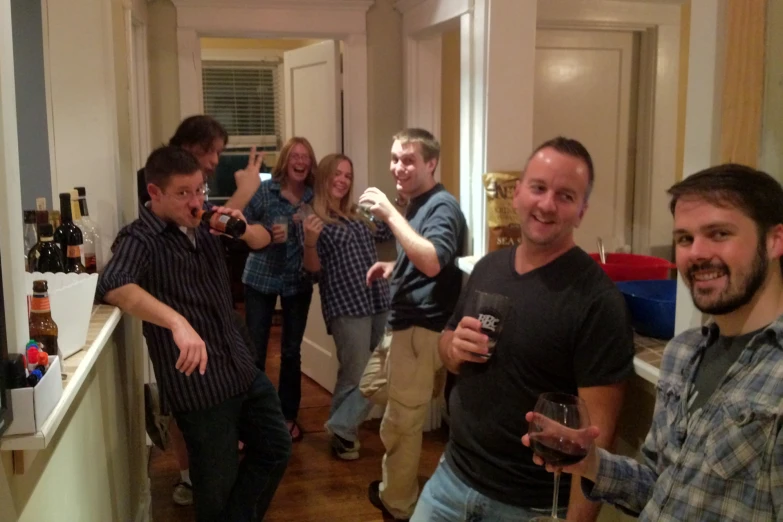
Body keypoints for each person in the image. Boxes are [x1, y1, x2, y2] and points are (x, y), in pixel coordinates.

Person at [523, 163, 783, 522]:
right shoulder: (684, 353)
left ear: (775, 241)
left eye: (719, 233)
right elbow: (659, 488)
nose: (697, 253)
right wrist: (589, 461)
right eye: (685, 239)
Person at [421, 137, 636, 522]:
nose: (547, 204)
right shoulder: (488, 267)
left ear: (582, 211)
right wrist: (452, 348)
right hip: (449, 482)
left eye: (566, 196)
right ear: (518, 193)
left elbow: (596, 443)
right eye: (538, 188)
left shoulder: (598, 302)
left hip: (529, 507)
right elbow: (447, 341)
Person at [99, 146, 291, 522]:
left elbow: (263, 240)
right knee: (215, 490)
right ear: (155, 193)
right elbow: (114, 284)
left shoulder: (205, 225)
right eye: (183, 193)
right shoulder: (140, 238)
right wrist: (177, 322)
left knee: (275, 447)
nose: (195, 201)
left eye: (200, 190)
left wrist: (243, 224)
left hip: (239, 366)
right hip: (200, 387)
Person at [137, 114, 263, 506]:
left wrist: (242, 212)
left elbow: (235, 230)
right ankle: (193, 474)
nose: (214, 161)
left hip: (217, 320)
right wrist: (245, 192)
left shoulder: (197, 198)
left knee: (249, 422)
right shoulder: (155, 189)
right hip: (178, 320)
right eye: (211, 152)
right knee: (191, 408)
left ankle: (215, 460)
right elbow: (183, 227)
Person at [357, 128, 467, 521]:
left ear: (431, 163)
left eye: (408, 160)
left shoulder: (442, 205)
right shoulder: (418, 203)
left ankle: (397, 504)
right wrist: (394, 266)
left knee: (402, 424)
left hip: (421, 327)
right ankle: (422, 394)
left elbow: (435, 259)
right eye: (394, 159)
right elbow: (421, 256)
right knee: (372, 386)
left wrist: (388, 212)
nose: (398, 167)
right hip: (404, 324)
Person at [301, 153, 392, 460]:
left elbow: (387, 231)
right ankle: (344, 432)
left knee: (383, 367)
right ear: (324, 177)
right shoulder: (309, 216)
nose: (342, 180)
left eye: (348, 175)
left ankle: (341, 426)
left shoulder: (358, 213)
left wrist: (399, 204)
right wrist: (310, 243)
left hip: (378, 297)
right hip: (345, 303)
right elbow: (312, 271)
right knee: (356, 372)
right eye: (336, 174)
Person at [243, 137, 317, 442]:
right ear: (285, 162)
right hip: (261, 277)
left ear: (310, 165)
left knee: (291, 352)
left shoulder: (314, 198)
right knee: (255, 350)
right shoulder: (266, 191)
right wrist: (263, 233)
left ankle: (287, 416)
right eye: (295, 156)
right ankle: (254, 418)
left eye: (306, 157)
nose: (300, 161)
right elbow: (243, 223)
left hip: (297, 281)